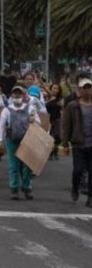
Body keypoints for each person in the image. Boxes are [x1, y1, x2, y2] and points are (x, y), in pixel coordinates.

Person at [0, 84, 42, 200]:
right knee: (14, 166)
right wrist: (0, 140)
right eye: (15, 93)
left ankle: (27, 187)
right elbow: (1, 126)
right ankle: (14, 189)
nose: (17, 95)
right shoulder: (7, 110)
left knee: (27, 165)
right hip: (12, 140)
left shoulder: (30, 108)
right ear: (12, 95)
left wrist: (34, 121)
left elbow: (39, 121)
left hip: (26, 140)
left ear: (23, 95)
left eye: (19, 93)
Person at [61, 75, 92, 207]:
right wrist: (65, 142)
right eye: (84, 88)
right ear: (79, 90)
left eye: (89, 88)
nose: (87, 91)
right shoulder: (72, 106)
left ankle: (90, 197)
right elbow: (66, 125)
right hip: (78, 143)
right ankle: (75, 187)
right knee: (78, 170)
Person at [46, 83, 64, 161]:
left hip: (57, 119)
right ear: (51, 89)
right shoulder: (47, 97)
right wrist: (49, 100)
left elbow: (62, 109)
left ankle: (54, 152)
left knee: (57, 136)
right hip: (48, 119)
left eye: (57, 88)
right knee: (50, 137)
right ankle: (50, 153)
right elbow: (44, 107)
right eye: (54, 88)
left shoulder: (60, 99)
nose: (55, 90)